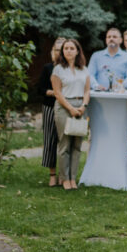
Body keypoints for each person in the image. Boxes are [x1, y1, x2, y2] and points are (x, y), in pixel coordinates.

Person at [51, 38, 90, 191]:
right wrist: (70, 109)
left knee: (77, 145)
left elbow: (87, 90)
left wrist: (83, 106)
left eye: (71, 48)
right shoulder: (58, 69)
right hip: (64, 107)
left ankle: (73, 177)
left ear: (77, 51)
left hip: (81, 106)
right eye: (66, 48)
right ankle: (64, 178)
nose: (68, 50)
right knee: (65, 144)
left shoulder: (83, 69)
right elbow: (57, 92)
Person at [38, 37, 66, 187]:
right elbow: (40, 89)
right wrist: (55, 93)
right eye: (56, 50)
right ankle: (52, 175)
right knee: (50, 140)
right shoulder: (48, 68)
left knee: (65, 141)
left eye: (62, 50)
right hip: (49, 107)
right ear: (52, 52)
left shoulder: (70, 69)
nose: (59, 53)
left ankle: (64, 175)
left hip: (66, 108)